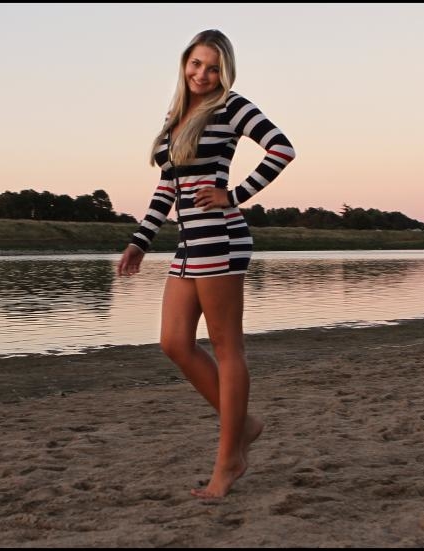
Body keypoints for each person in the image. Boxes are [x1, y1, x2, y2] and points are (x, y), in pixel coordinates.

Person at [117, 29, 295, 499]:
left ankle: (228, 460)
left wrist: (232, 195)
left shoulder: (232, 106)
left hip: (221, 238)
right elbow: (166, 188)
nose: (202, 74)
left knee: (227, 347)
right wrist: (140, 241)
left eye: (213, 68)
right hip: (187, 243)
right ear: (185, 63)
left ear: (224, 73)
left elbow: (282, 149)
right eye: (196, 64)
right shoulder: (177, 115)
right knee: (174, 342)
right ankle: (244, 425)